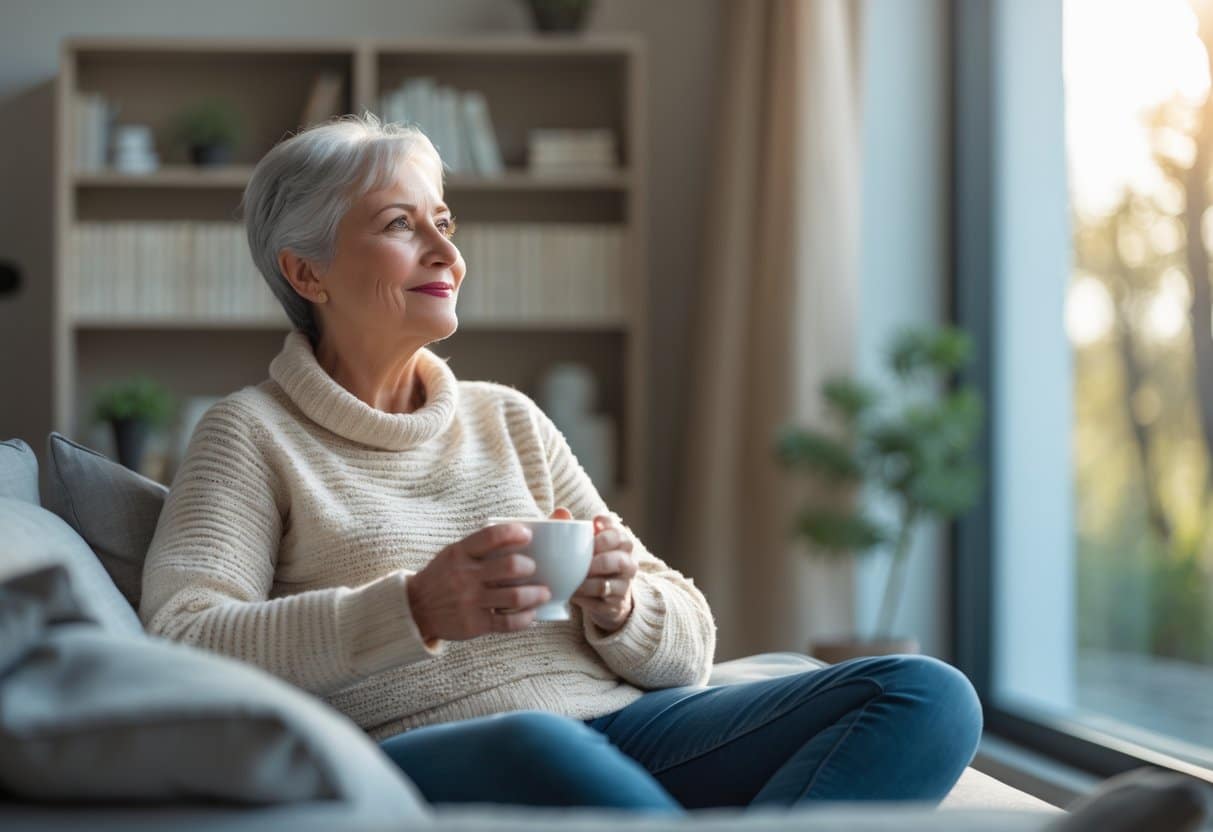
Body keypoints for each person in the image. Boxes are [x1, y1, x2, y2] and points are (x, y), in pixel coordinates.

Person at [139, 112, 983, 813]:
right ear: (305, 272)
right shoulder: (247, 434)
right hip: (437, 753)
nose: (446, 252)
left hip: (628, 728)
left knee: (926, 695)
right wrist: (415, 609)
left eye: (445, 222)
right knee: (535, 742)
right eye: (401, 225)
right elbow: (182, 643)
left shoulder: (509, 418)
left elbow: (685, 649)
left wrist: (621, 601)